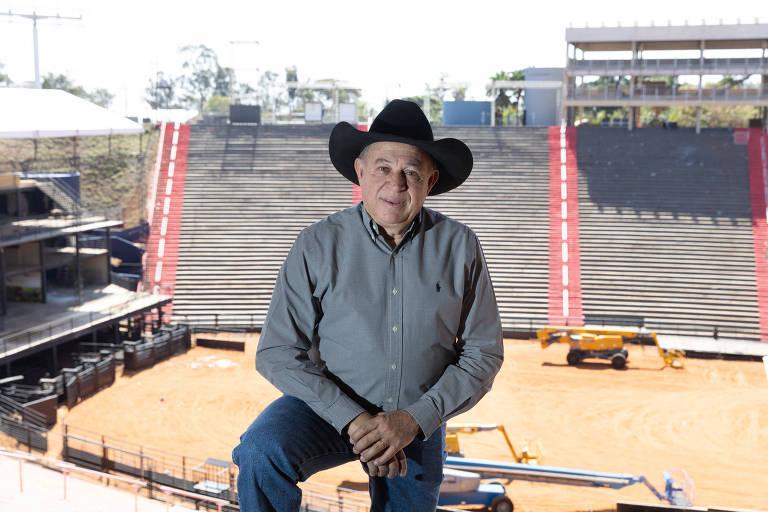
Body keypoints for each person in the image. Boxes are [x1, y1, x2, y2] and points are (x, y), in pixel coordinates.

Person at [232, 99, 504, 512]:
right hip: (328, 407)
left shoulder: (460, 245)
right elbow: (276, 352)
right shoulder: (317, 244)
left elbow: (483, 352)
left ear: (429, 182)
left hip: (418, 420)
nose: (395, 184)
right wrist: (353, 419)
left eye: (410, 171)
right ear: (360, 172)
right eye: (382, 167)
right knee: (260, 451)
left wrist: (413, 419)